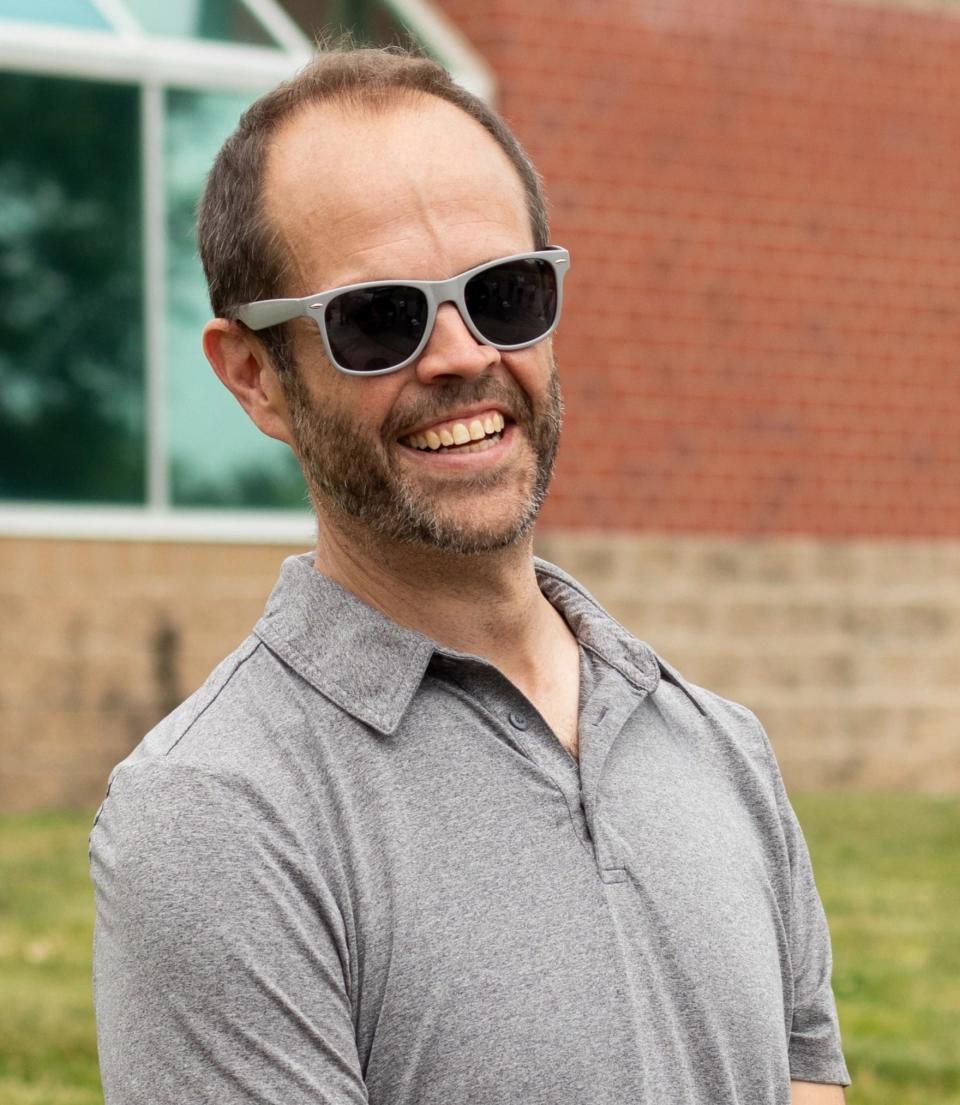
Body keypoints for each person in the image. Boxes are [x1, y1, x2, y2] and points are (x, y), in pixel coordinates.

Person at [90, 44, 850, 1105]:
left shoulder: (719, 745)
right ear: (256, 375)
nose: (460, 354)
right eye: (379, 318)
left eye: (505, 291)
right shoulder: (216, 815)